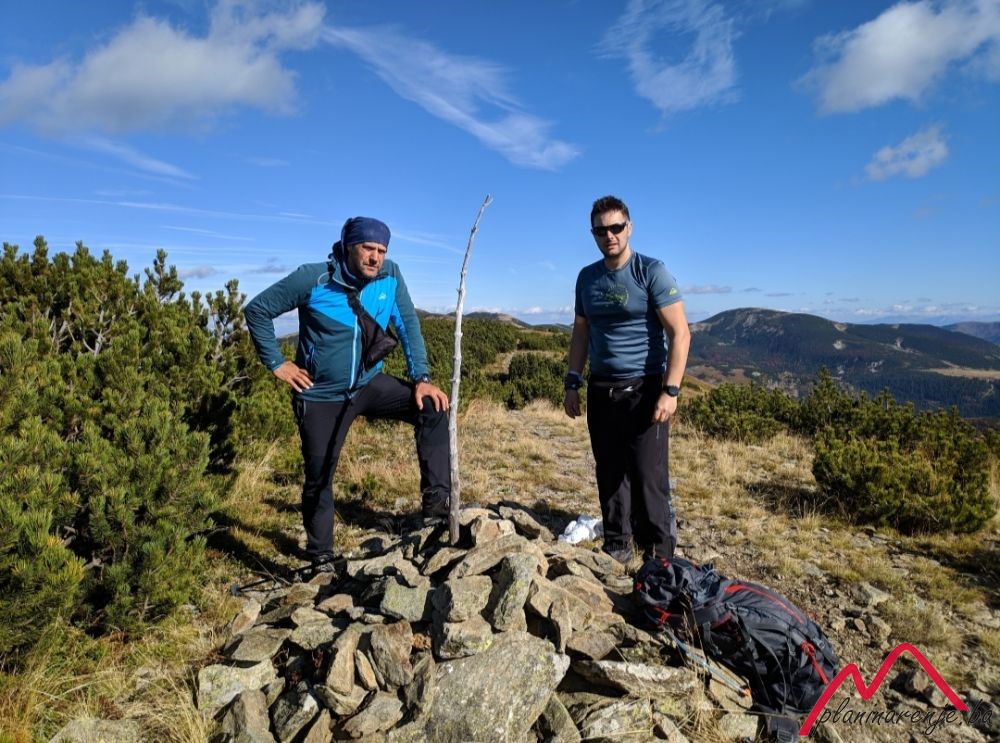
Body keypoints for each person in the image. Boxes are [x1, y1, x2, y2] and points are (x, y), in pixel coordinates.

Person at [245, 216, 451, 575]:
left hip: (367, 384)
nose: (375, 257)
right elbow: (258, 310)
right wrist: (278, 363)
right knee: (319, 474)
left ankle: (436, 513)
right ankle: (321, 555)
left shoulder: (390, 276)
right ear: (348, 247)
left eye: (382, 250)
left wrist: (422, 378)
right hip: (321, 394)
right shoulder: (314, 278)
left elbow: (408, 325)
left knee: (432, 406)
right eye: (368, 248)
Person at [564, 195, 691, 565]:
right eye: (601, 230)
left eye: (616, 227)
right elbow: (581, 332)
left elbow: (680, 333)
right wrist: (572, 381)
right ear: (593, 234)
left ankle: (660, 554)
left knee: (648, 475)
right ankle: (618, 543)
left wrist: (670, 390)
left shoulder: (651, 271)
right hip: (601, 387)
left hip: (644, 387)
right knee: (609, 469)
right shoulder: (587, 278)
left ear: (629, 227)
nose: (610, 235)